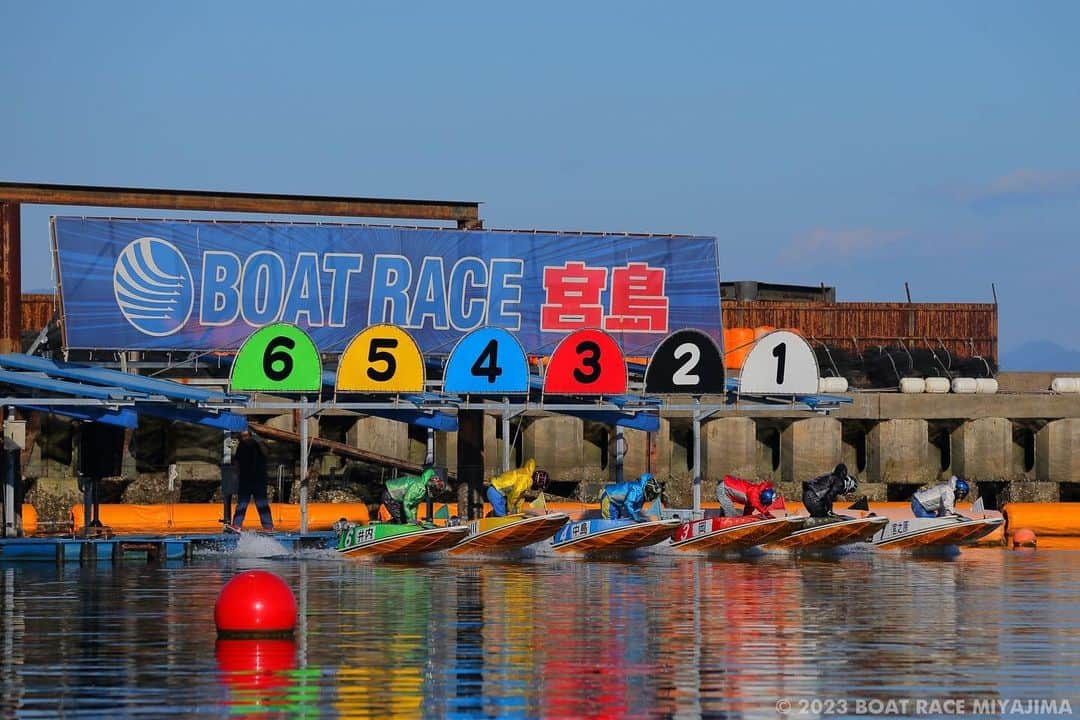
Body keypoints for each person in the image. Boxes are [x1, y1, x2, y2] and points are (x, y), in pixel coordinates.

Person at [229, 429, 273, 532]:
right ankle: (237, 524)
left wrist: (259, 440)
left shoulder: (258, 445)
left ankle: (268, 526)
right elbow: (237, 461)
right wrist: (235, 476)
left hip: (259, 478)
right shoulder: (242, 446)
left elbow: (266, 453)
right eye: (242, 436)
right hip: (245, 479)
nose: (244, 439)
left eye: (246, 436)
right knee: (242, 503)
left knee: (261, 502)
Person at [382, 468, 448, 525]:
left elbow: (413, 506)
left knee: (403, 518)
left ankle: (390, 524)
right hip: (390, 493)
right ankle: (389, 529)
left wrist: (414, 520)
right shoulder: (418, 487)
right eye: (436, 490)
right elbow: (406, 503)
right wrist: (410, 520)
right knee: (402, 519)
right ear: (431, 485)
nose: (436, 493)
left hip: (394, 495)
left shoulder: (423, 491)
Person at [716, 475, 781, 517]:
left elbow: (747, 514)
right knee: (731, 516)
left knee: (728, 513)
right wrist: (767, 514)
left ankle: (720, 519)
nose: (764, 506)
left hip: (726, 490)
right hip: (723, 489)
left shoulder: (752, 501)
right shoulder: (754, 492)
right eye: (765, 504)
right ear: (764, 499)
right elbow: (756, 504)